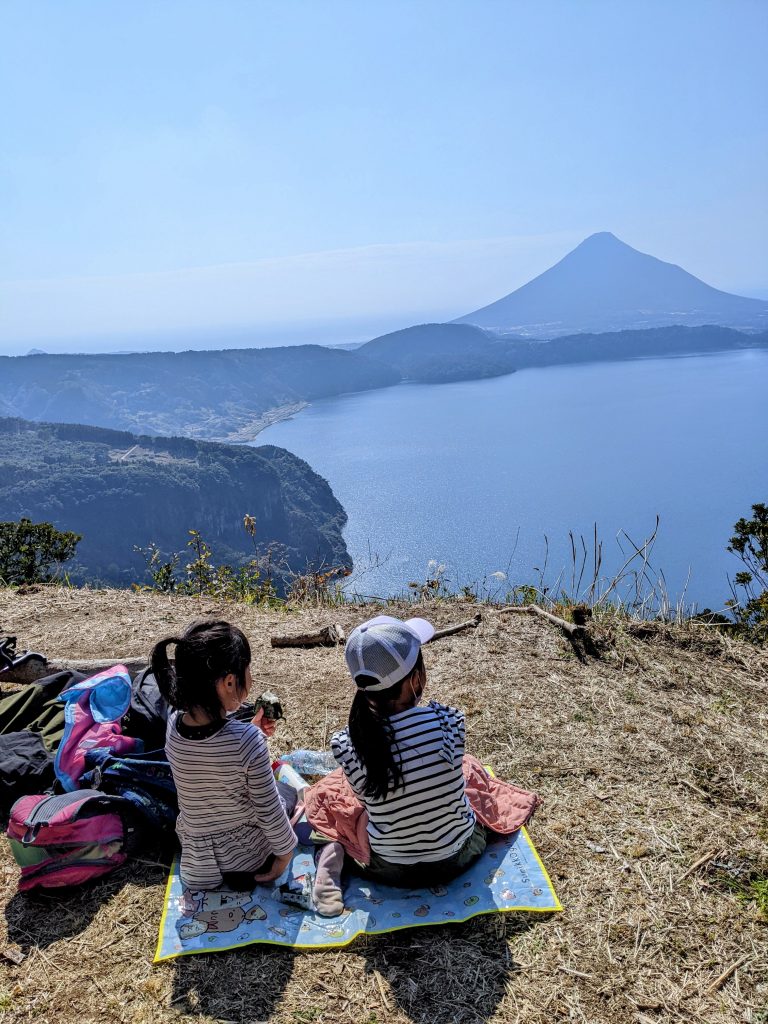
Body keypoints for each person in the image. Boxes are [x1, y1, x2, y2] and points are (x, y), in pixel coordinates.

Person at [330, 615, 487, 886]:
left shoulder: (348, 745)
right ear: (416, 679)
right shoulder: (448, 722)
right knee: (471, 771)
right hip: (459, 857)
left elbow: (365, 804)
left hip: (391, 870)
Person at [151, 619, 297, 891]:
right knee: (287, 795)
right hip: (246, 858)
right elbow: (268, 811)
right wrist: (285, 853)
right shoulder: (247, 742)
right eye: (248, 669)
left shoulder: (173, 725)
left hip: (199, 863)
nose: (251, 677)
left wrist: (250, 731)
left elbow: (212, 762)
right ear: (229, 682)